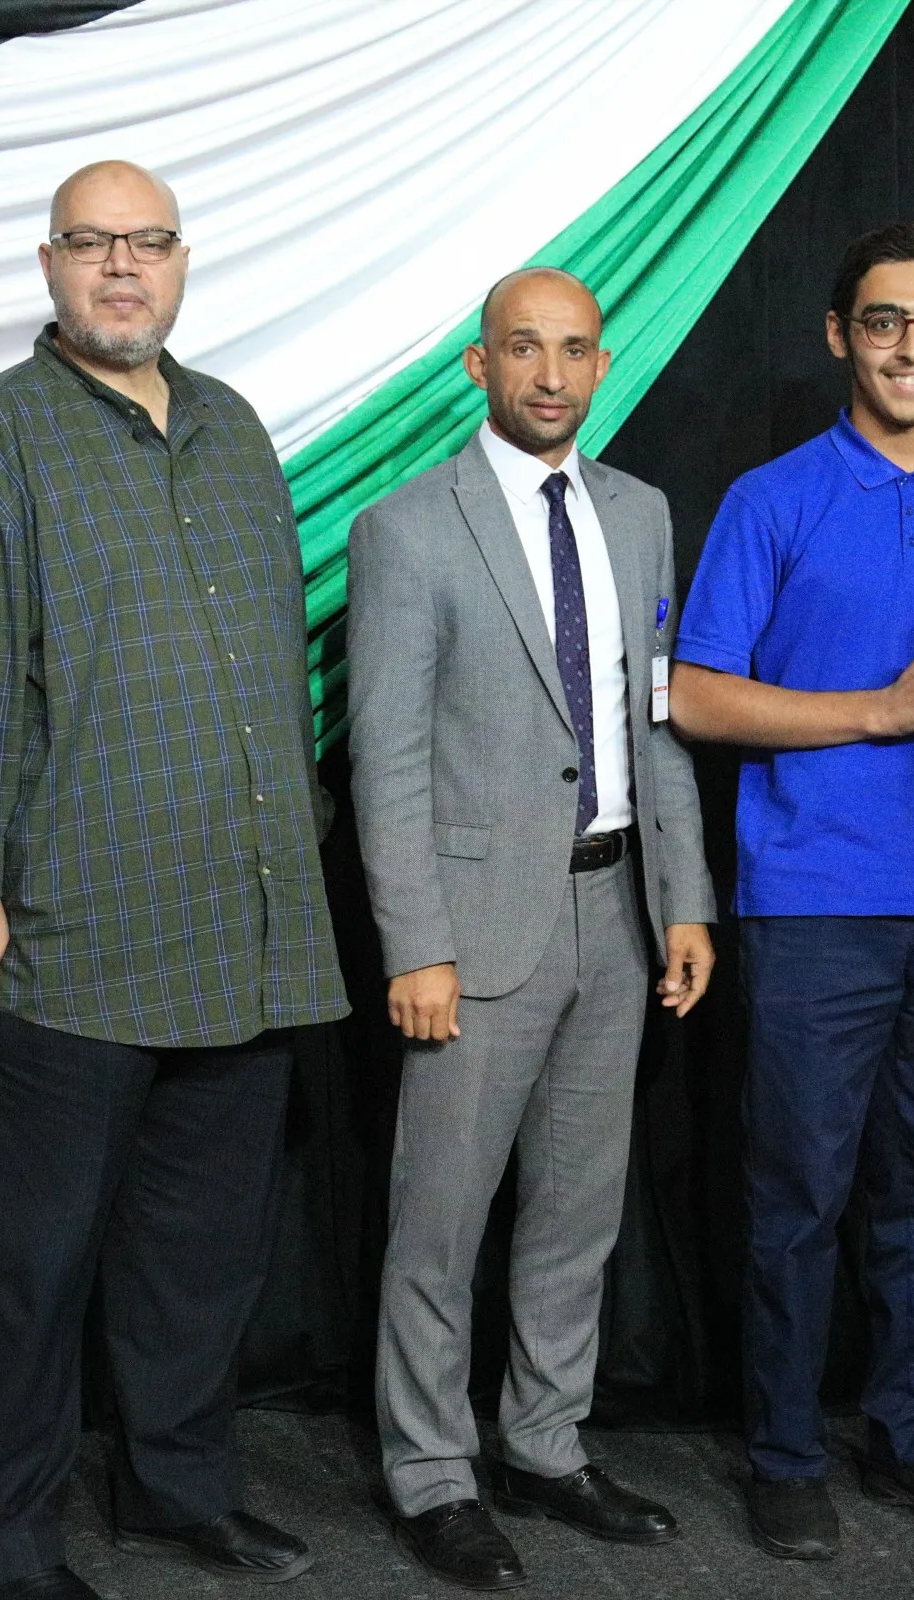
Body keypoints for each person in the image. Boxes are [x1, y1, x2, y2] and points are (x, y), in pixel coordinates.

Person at [0, 160, 348, 1600]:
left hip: (237, 930)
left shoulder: (233, 428)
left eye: (148, 242)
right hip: (57, 941)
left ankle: (177, 1490)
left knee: (197, 1258)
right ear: (50, 266)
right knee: (18, 1269)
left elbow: (273, 661)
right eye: (93, 243)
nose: (123, 267)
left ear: (183, 260)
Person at [671, 222, 914, 1561]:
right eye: (884, 320)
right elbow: (697, 696)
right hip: (816, 898)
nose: (911, 346)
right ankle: (784, 1454)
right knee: (801, 1190)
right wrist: (881, 710)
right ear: (841, 335)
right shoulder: (771, 498)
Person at [346, 268, 718, 1591]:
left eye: (573, 350)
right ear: (480, 365)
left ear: (602, 364)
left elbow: (653, 722)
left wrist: (684, 898)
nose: (550, 374)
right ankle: (432, 1474)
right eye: (523, 348)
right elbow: (386, 755)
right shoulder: (407, 530)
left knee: (578, 1210)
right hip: (475, 924)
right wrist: (415, 943)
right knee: (440, 1222)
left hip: (615, 908)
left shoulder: (640, 513)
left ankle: (546, 1445)